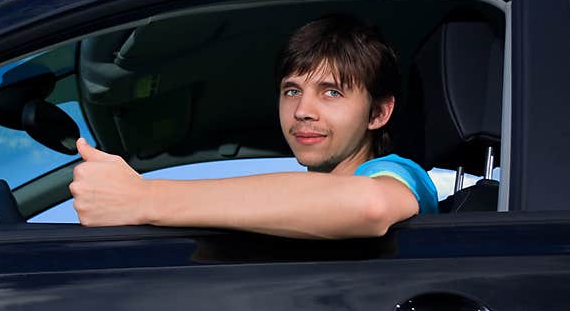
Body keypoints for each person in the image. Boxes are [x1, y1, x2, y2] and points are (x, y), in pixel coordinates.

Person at [69, 14, 438, 239]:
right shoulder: (298, 205)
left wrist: (143, 199)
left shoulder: (396, 173)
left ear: (378, 114)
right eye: (292, 90)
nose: (302, 110)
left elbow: (369, 205)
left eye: (331, 92)